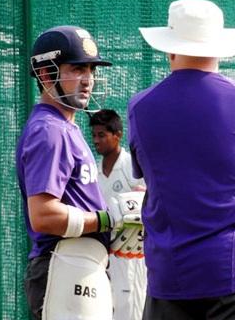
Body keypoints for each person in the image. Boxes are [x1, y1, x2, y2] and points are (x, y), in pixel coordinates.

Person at [128, 0, 235, 320]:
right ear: (219, 47)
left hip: (169, 281)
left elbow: (145, 173)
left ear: (169, 47)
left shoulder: (140, 106)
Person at [15, 25, 115, 320]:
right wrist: (106, 220)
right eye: (77, 69)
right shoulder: (50, 130)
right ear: (46, 74)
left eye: (91, 70)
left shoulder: (64, 126)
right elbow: (43, 215)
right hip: (62, 267)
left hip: (77, 267)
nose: (88, 80)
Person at [89, 109, 147, 320]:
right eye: (94, 135)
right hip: (104, 254)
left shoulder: (132, 167)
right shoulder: (93, 172)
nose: (96, 140)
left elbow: (148, 201)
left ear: (118, 135)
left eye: (102, 135)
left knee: (131, 309)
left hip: (132, 255)